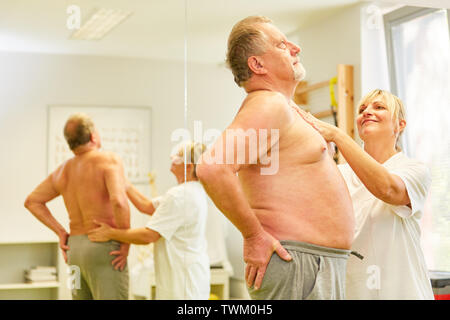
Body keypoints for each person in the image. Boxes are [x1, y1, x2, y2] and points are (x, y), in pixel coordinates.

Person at [196, 16, 356, 300]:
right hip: (296, 261)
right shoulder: (268, 103)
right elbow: (212, 168)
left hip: (312, 262)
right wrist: (254, 236)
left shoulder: (284, 107)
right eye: (282, 44)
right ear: (257, 65)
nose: (295, 48)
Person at [299, 89, 434, 299]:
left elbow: (388, 189)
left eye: (379, 107)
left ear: (400, 125)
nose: (367, 112)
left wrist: (338, 136)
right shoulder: (340, 174)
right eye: (362, 109)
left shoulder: (414, 170)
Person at [24, 113, 130, 300]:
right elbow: (119, 202)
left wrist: (60, 232)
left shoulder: (63, 170)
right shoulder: (108, 160)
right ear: (93, 135)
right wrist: (125, 241)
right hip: (104, 246)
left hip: (74, 250)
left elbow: (32, 201)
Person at [88, 141, 210, 300]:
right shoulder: (191, 191)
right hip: (191, 277)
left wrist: (110, 233)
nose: (172, 158)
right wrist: (121, 180)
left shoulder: (180, 196)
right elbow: (146, 206)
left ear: (188, 167)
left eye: (178, 156)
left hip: (183, 284)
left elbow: (149, 236)